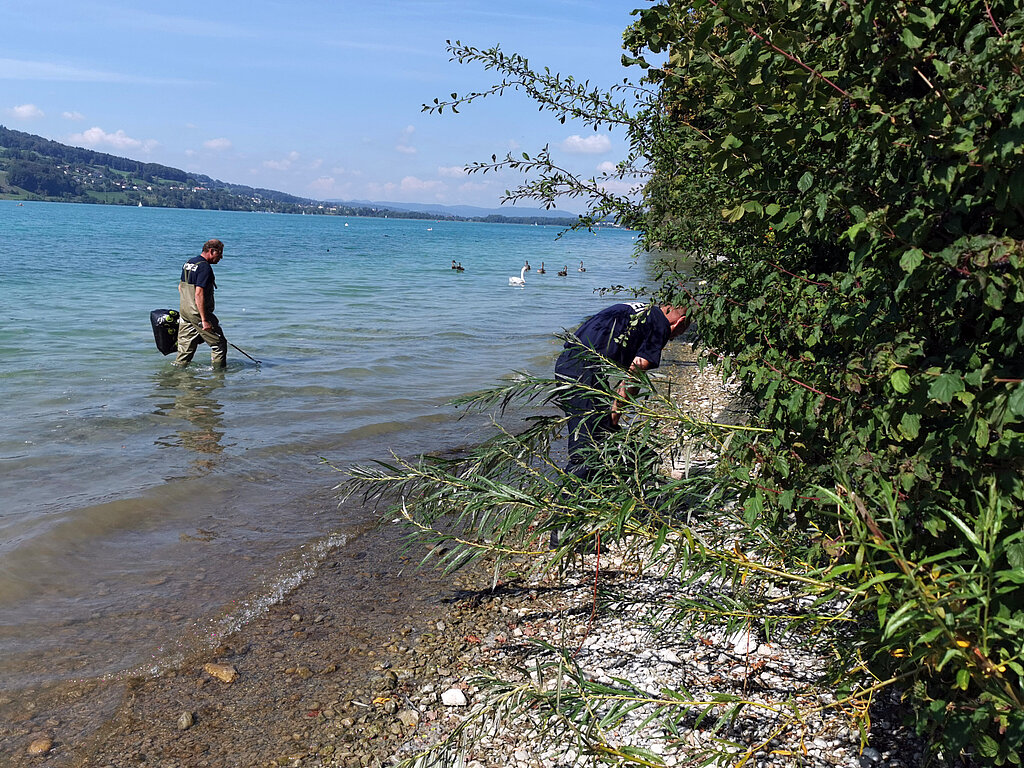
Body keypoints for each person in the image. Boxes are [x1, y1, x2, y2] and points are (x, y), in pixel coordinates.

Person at [554, 301, 690, 480]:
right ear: (680, 322)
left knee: (598, 434)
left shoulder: (639, 309)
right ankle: (568, 502)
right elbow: (636, 372)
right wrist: (615, 415)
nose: (672, 338)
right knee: (586, 448)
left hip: (569, 362)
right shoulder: (660, 324)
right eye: (678, 334)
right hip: (583, 372)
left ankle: (613, 481)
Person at [174, 239, 228, 368]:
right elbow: (199, 293)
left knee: (185, 347)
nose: (221, 257)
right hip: (198, 313)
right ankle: (218, 377)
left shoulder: (189, 262)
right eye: (219, 253)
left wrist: (187, 308)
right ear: (211, 251)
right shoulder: (204, 267)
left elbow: (180, 287)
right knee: (219, 344)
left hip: (185, 311)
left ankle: (178, 375)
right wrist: (204, 319)